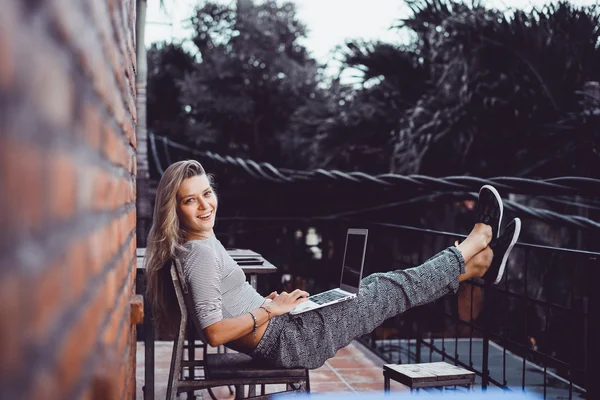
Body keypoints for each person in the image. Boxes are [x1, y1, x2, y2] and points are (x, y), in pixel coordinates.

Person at [145, 160, 522, 369]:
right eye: (190, 201)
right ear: (174, 209)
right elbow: (214, 332)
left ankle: (478, 267)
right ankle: (478, 240)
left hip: (285, 327)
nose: (205, 205)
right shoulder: (199, 254)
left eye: (206, 194)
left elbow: (226, 304)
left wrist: (269, 306)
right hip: (290, 341)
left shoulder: (196, 243)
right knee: (391, 288)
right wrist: (268, 312)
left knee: (377, 283)